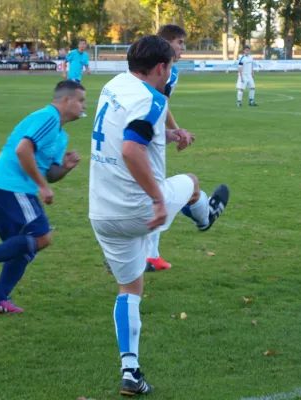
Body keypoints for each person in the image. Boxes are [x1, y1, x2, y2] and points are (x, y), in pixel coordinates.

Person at [89, 35, 230, 396]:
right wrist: (156, 198)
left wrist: (170, 133)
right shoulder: (152, 97)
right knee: (192, 182)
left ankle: (130, 371)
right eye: (170, 65)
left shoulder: (114, 85)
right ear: (161, 68)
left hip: (102, 212)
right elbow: (132, 149)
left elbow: (133, 133)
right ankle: (204, 217)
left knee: (130, 289)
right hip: (139, 209)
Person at [0, 80, 86, 314]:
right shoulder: (48, 117)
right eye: (80, 101)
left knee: (24, 248)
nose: (84, 106)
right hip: (10, 186)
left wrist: (65, 168)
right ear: (66, 100)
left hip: (9, 189)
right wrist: (42, 187)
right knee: (42, 238)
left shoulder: (61, 136)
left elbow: (51, 174)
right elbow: (22, 149)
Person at [144, 24, 194, 272]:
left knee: (153, 188)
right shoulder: (160, 68)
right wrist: (176, 131)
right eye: (179, 42)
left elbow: (162, 103)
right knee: (154, 190)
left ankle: (150, 254)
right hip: (145, 135)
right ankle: (143, 254)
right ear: (166, 43)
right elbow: (158, 102)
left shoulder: (168, 70)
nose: (183, 48)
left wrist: (176, 130)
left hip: (151, 133)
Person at [63, 38, 91, 117]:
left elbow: (86, 65)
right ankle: (80, 112)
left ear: (85, 45)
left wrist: (88, 70)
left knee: (72, 95)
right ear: (78, 45)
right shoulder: (73, 53)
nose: (82, 45)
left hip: (78, 78)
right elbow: (65, 61)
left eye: (83, 44)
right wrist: (64, 72)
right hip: (72, 77)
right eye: (81, 43)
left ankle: (66, 110)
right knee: (80, 93)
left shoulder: (85, 55)